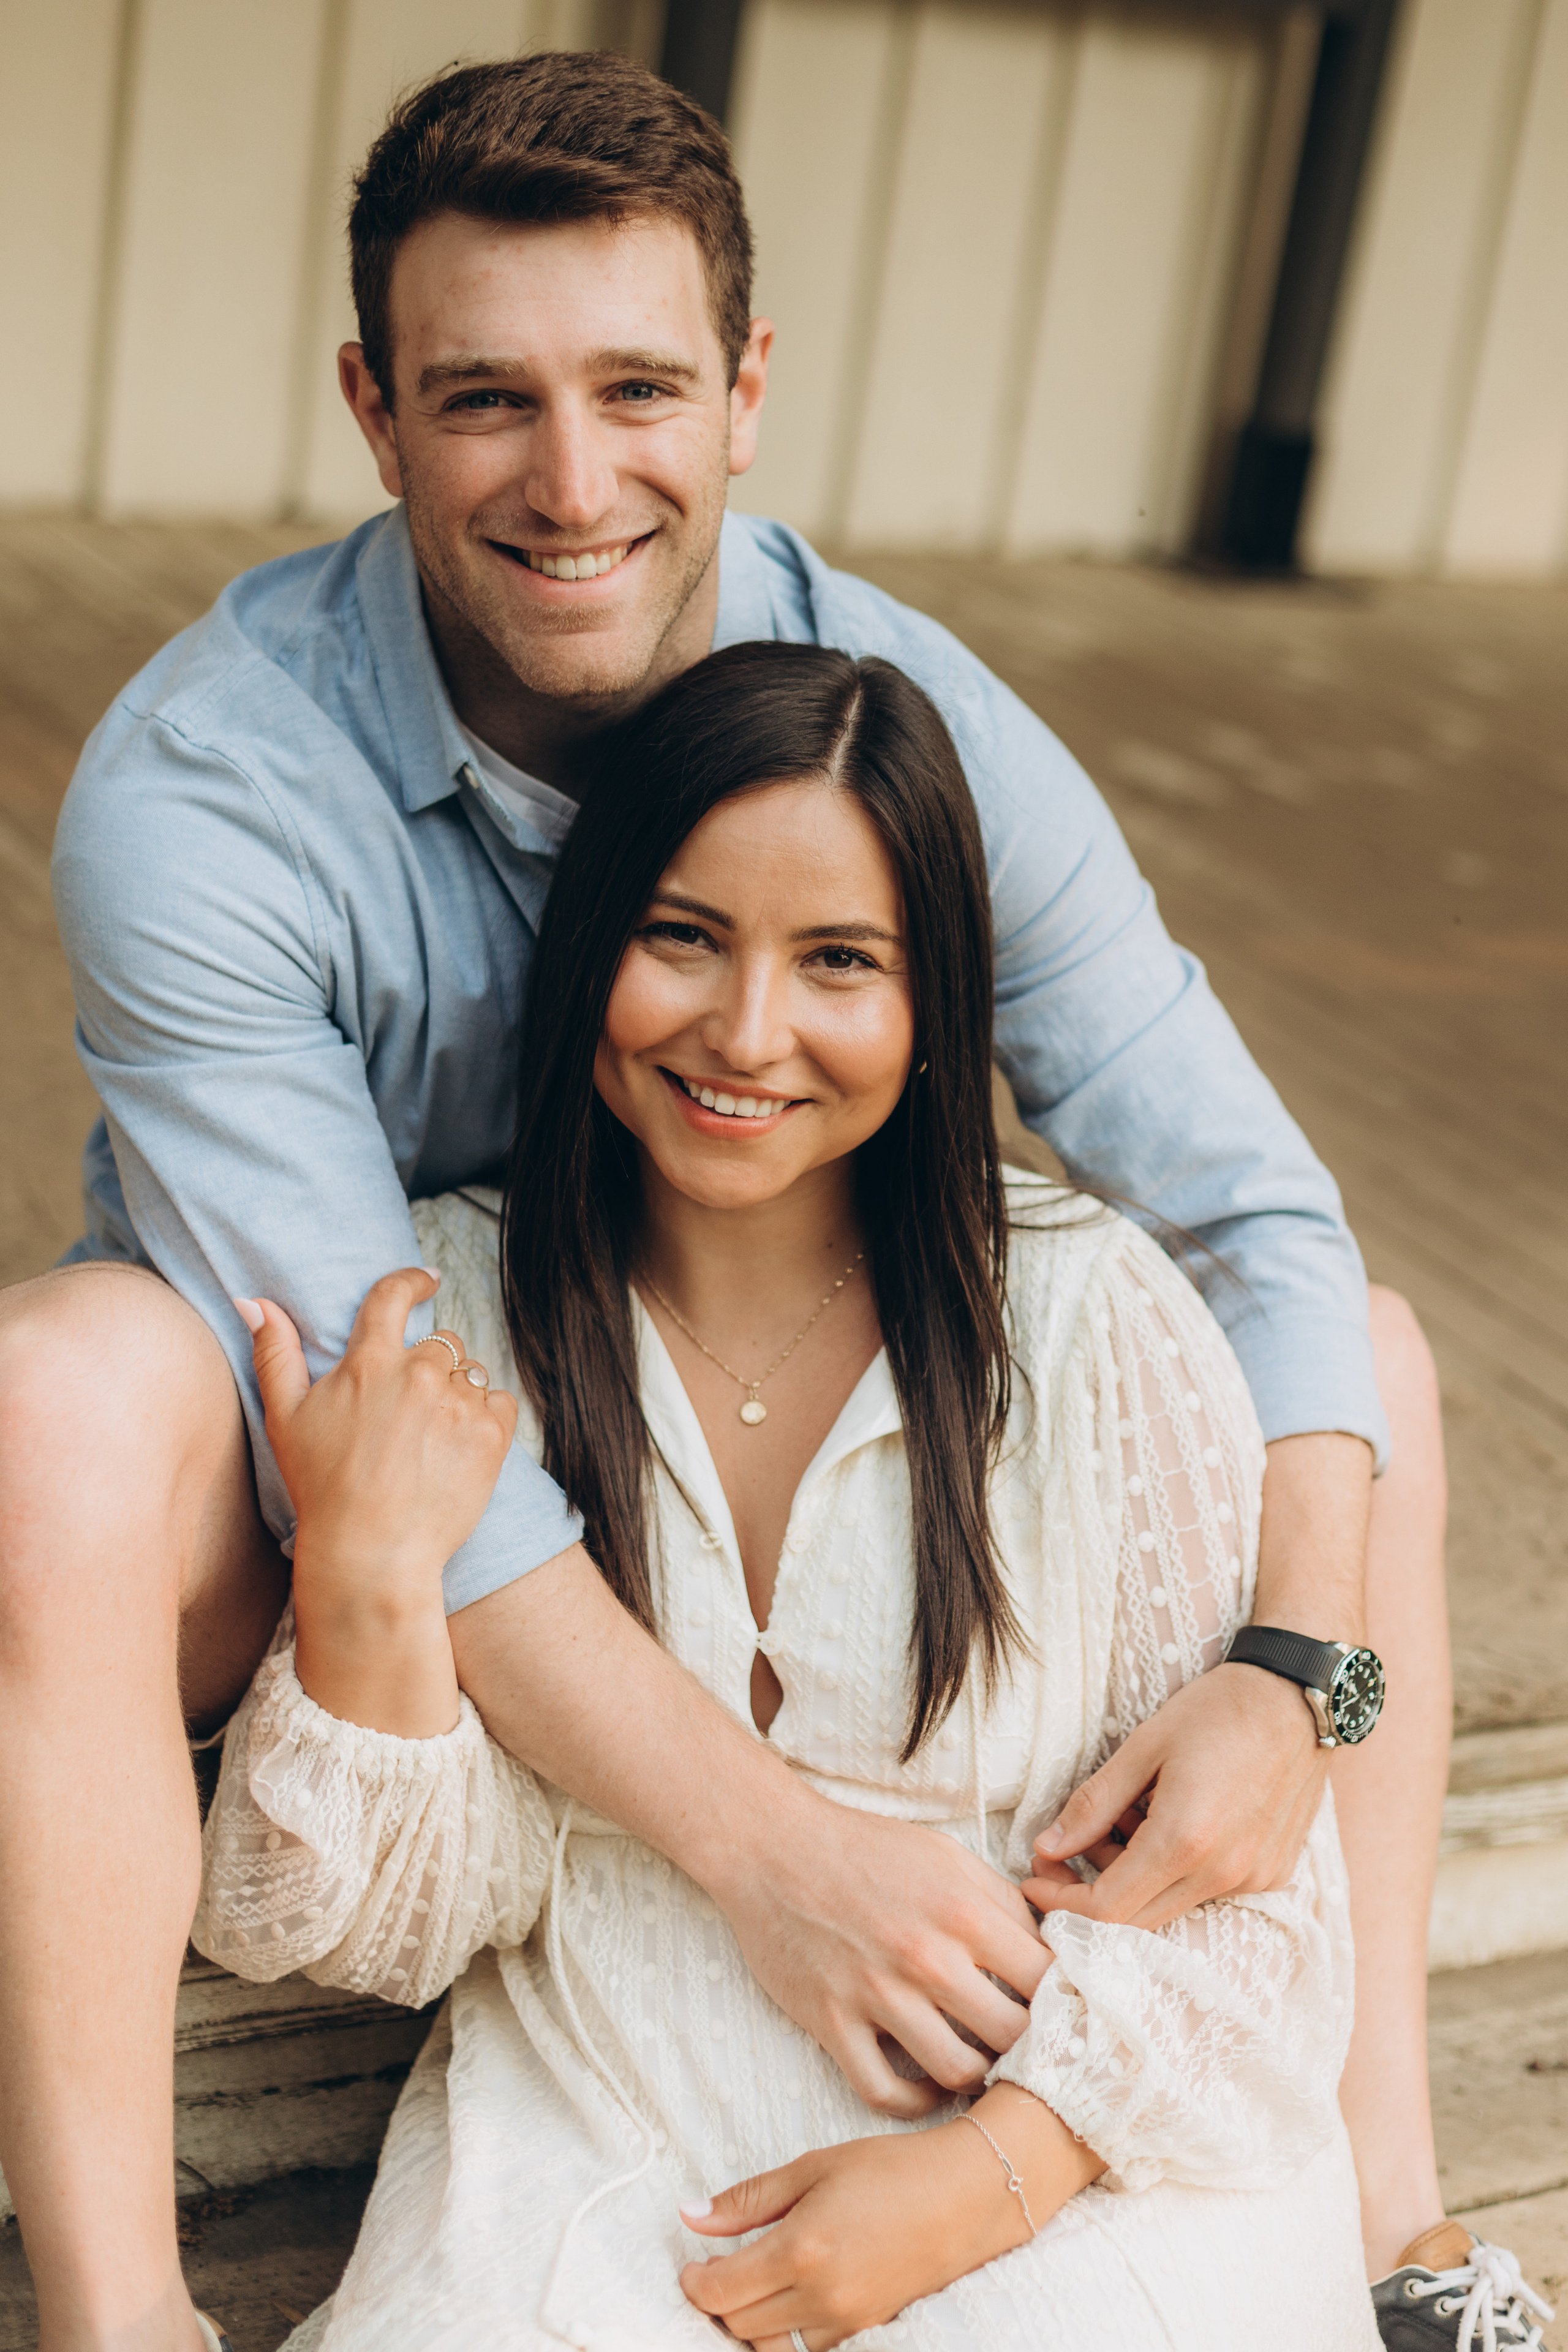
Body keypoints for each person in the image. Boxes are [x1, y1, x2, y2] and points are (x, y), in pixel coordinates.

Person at [0, 44, 1518, 2352]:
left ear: (745, 395)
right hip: (365, 1451)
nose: (576, 476)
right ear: (375, 408)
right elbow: (424, 1427)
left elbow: (1259, 1208)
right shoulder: (205, 796)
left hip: (721, 1379)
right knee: (52, 1402)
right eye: (485, 398)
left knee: (1371, 1361)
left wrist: (1293, 1671)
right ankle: (119, 2310)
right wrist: (781, 1857)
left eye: (639, 387)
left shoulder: (896, 710)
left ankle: (1396, 2221)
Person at [198, 641, 1379, 2350]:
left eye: (841, 961)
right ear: (590, 936)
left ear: (935, 1001)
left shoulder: (1093, 1312)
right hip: (608, 2153)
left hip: (1082, 2165)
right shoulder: (446, 1312)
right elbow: (340, 1927)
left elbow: (1261, 1919)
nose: (746, 1033)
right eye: (681, 937)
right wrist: (373, 1578)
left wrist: (991, 2179)